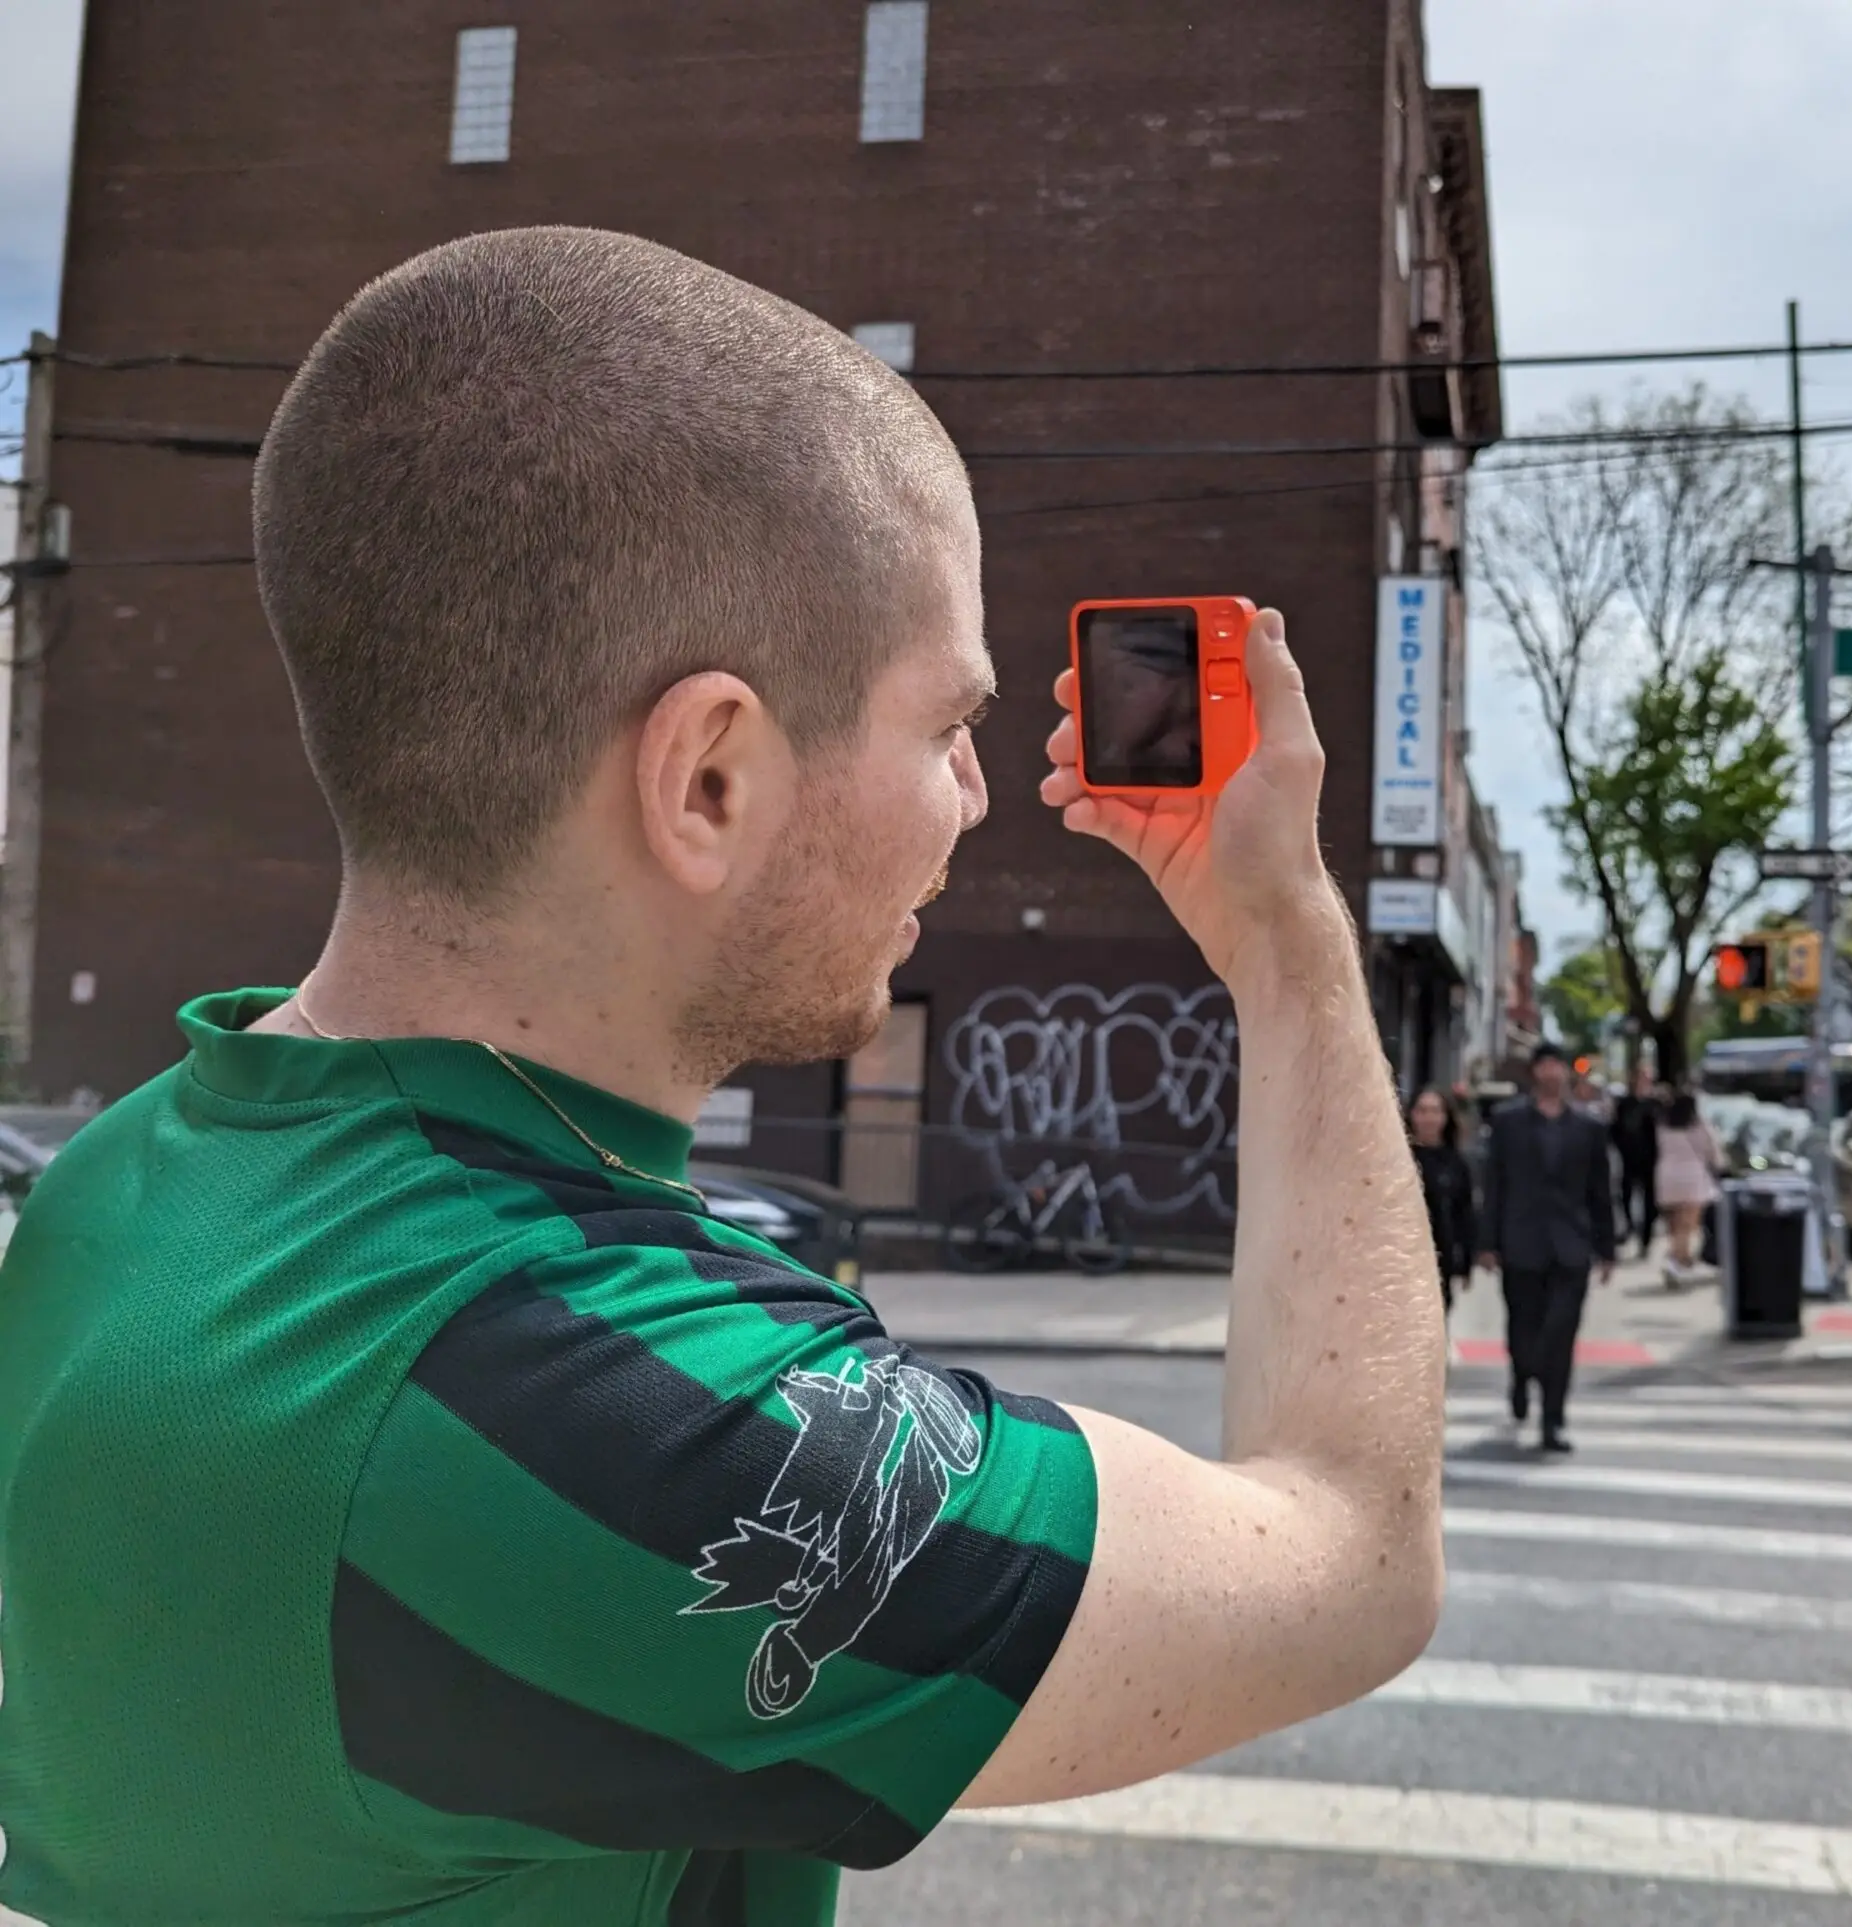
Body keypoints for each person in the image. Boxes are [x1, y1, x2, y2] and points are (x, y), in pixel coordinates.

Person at [0, 229, 1446, 1927]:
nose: (971, 796)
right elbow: (1351, 1553)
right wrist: (1284, 933)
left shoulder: (119, 1186)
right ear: (706, 780)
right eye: (941, 724)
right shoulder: (586, 1398)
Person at [1476, 1043, 1616, 1451]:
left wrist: (1606, 1248)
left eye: (1559, 1066)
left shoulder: (1588, 1128)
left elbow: (1600, 1192)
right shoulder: (1508, 1123)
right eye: (1546, 1066)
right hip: (1521, 1242)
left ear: (1567, 1074)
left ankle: (1553, 1418)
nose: (1552, 1074)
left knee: (1562, 1331)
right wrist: (1488, 1242)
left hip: (1571, 1245)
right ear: (1535, 1073)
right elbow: (1494, 1185)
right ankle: (1522, 1377)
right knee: (1523, 1328)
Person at [1406, 1086, 1476, 1310]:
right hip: (1404, 1256)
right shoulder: (1399, 1160)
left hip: (1440, 1255)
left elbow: (1464, 1213)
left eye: (1435, 1111)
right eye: (1422, 1110)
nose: (1429, 1118)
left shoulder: (1456, 1164)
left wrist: (1466, 1262)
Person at [1654, 1088, 1728, 1287]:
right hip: (1692, 1178)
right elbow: (1714, 1152)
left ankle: (1678, 1259)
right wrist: (1721, 1167)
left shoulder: (1663, 1126)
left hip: (1667, 1176)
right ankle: (1675, 1262)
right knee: (1688, 1225)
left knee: (1675, 1225)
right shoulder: (1700, 1126)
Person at [1609, 1060, 1662, 1257]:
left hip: (1651, 1160)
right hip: (1628, 1158)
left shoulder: (1656, 1103)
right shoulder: (1625, 1103)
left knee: (1650, 1201)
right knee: (1626, 1196)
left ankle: (1646, 1239)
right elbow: (1615, 1128)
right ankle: (1630, 1226)